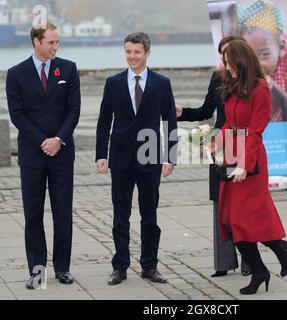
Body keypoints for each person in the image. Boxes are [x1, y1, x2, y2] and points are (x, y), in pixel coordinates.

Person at [96, 32, 177, 285]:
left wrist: (170, 157)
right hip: (120, 158)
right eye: (128, 52)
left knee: (149, 215)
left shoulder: (161, 83)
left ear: (147, 53)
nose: (132, 56)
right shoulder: (113, 82)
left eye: (137, 52)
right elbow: (103, 122)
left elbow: (169, 121)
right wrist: (101, 155)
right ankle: (120, 267)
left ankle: (149, 266)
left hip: (150, 156)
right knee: (120, 215)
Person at [217, 40, 287, 295]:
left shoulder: (261, 89)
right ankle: (274, 255)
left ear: (241, 61)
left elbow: (255, 132)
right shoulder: (232, 84)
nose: (225, 66)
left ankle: (267, 262)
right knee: (230, 220)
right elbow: (231, 123)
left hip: (251, 161)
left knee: (243, 219)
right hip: (232, 155)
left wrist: (243, 165)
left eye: (229, 62)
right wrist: (216, 142)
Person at [6, 23, 81, 289]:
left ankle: (63, 268)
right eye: (51, 42)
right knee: (33, 215)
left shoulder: (68, 69)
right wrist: (43, 141)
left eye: (57, 42)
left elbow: (74, 111)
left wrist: (58, 140)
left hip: (62, 154)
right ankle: (37, 272)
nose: (55, 47)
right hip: (32, 155)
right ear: (36, 41)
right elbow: (17, 115)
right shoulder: (15, 74)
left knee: (63, 214)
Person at [176, 36, 251, 278]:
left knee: (244, 206)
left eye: (227, 54)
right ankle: (224, 263)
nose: (224, 60)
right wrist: (181, 112)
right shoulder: (217, 78)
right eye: (221, 55)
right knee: (221, 205)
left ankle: (250, 262)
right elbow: (206, 111)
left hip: (242, 143)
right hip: (219, 147)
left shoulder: (253, 81)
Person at [237, 0, 287, 122]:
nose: (254, 66)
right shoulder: (233, 65)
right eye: (247, 57)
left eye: (264, 55)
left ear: (280, 48)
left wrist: (273, 88)